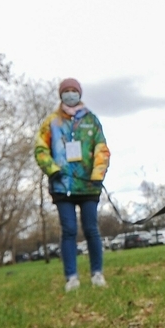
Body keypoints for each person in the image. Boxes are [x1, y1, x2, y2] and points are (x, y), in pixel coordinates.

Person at [35, 78, 111, 292]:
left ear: (79, 93)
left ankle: (97, 274)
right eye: (66, 91)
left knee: (91, 229)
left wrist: (98, 173)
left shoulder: (91, 120)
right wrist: (53, 169)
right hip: (62, 185)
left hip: (89, 185)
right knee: (68, 230)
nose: (70, 94)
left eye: (73, 90)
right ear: (61, 94)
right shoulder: (52, 122)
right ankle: (72, 278)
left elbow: (102, 148)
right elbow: (40, 149)